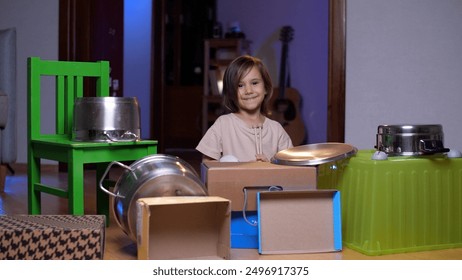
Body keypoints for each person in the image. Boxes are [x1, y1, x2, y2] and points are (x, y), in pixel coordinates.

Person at [196, 55, 293, 162]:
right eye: (240, 85)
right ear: (231, 93)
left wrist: (270, 166)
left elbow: (290, 168)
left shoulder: (276, 130)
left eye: (254, 83)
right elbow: (207, 164)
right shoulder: (223, 124)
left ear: (266, 88)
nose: (248, 90)